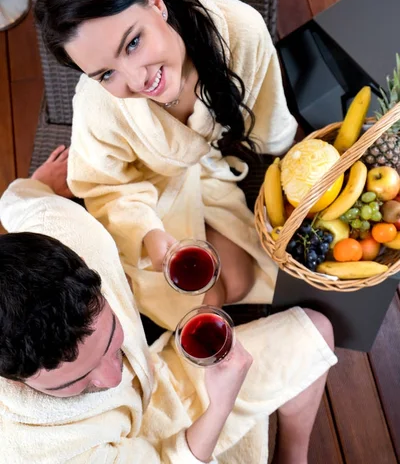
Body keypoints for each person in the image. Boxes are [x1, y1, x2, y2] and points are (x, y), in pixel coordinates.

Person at [0, 147, 336, 464]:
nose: (114, 377)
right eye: (80, 380)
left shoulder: (64, 226)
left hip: (162, 379)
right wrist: (219, 407)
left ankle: (293, 456)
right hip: (139, 448)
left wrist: (36, 183)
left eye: (111, 341)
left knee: (317, 332)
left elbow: (18, 202)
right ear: (14, 381)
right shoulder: (33, 450)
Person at [35, 0, 299, 329]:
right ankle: (206, 356)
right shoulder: (97, 105)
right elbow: (103, 185)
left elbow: (269, 115)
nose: (138, 79)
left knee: (239, 280)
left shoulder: (239, 30)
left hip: (206, 170)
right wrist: (149, 235)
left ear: (155, 1)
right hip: (148, 193)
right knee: (196, 296)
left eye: (132, 43)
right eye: (106, 74)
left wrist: (289, 171)